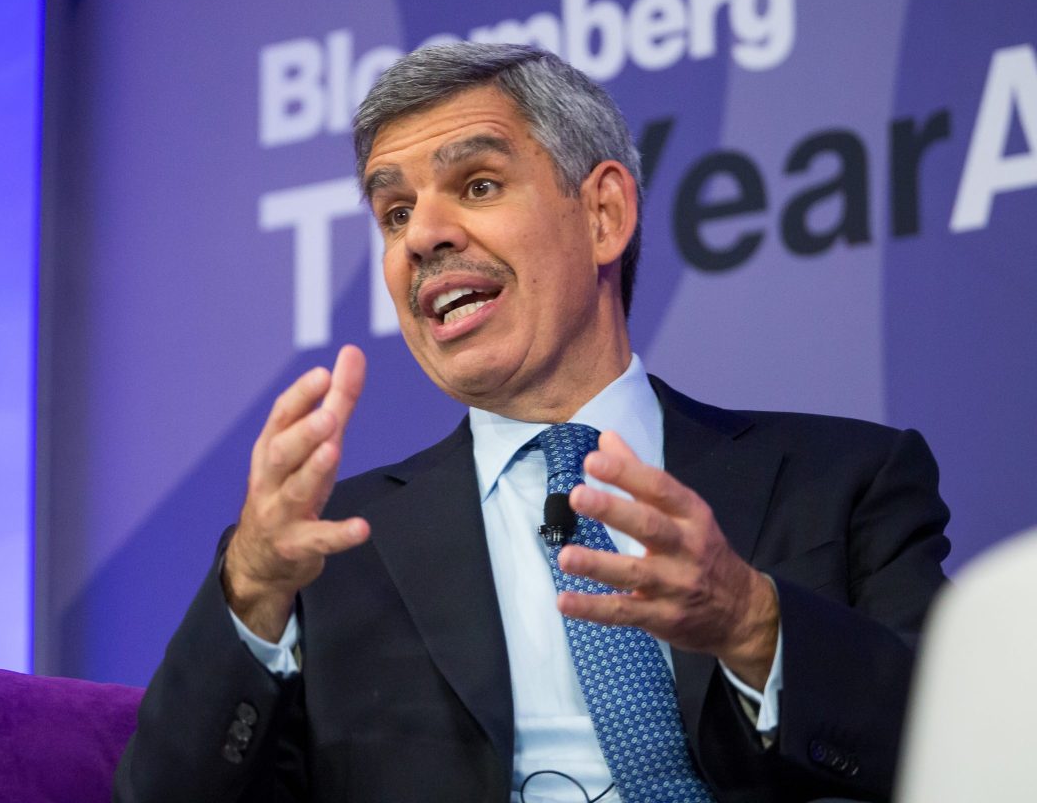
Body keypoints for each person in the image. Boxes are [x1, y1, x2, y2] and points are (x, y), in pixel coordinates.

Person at [113, 43, 949, 803]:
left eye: (477, 185)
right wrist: (252, 585)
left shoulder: (846, 480)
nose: (424, 237)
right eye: (395, 214)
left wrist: (753, 623)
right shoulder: (327, 557)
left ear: (603, 216)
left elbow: (965, 751)